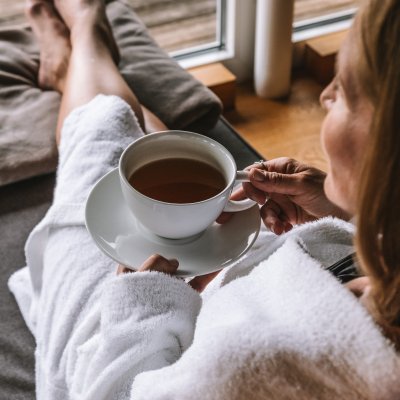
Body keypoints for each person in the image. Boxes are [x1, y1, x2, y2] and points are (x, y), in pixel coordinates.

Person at [7, 0, 400, 398]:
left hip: (139, 325)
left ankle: (82, 35)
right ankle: (82, 61)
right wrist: (354, 214)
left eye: (345, 92)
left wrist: (141, 302)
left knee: (102, 129)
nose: (324, 96)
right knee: (157, 150)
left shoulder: (264, 367)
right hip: (249, 270)